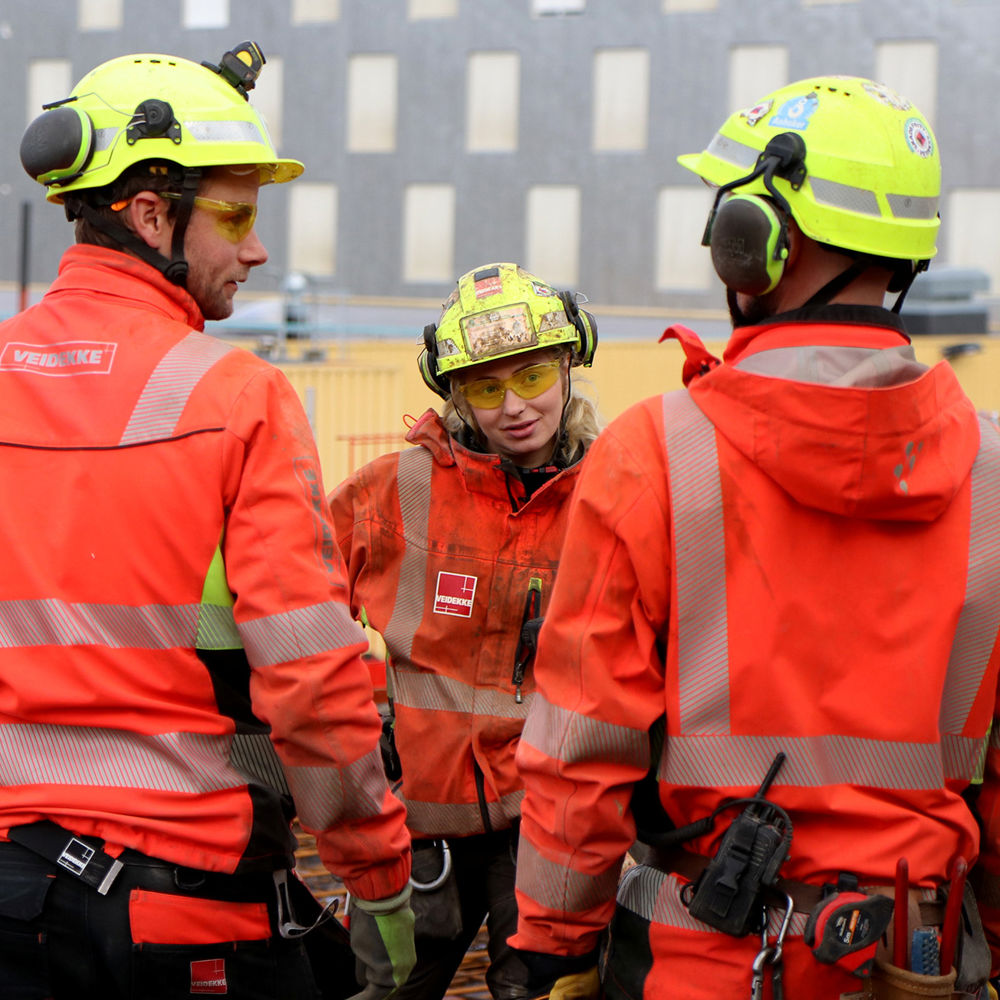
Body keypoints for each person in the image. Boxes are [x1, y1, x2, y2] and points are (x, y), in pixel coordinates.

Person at [509, 76, 1000, 999]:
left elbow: (580, 747)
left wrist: (553, 946)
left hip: (713, 959)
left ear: (756, 242)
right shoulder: (993, 472)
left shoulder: (657, 452)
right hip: (923, 958)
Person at [0, 42, 414, 1000]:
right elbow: (309, 676)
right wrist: (379, 881)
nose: (256, 248)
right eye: (236, 216)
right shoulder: (236, 395)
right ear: (151, 214)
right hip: (184, 905)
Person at [328, 262, 603, 999]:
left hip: (550, 829)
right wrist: (367, 729)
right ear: (453, 393)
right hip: (415, 827)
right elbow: (294, 613)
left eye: (534, 375)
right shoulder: (393, 490)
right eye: (486, 387)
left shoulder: (616, 498)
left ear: (571, 361)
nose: (514, 406)